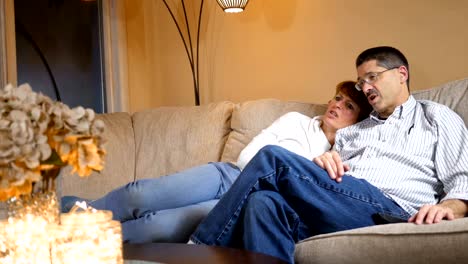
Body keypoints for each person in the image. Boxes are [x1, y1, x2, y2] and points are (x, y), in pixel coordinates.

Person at [189, 46, 468, 263]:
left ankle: (197, 251)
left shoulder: (434, 117)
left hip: (392, 209)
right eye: (361, 82)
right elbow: (328, 181)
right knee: (263, 203)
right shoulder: (353, 131)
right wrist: (322, 161)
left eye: (373, 77)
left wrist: (449, 208)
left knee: (272, 157)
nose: (366, 88)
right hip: (342, 205)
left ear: (401, 74)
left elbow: (462, 179)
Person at [61, 80, 372, 243]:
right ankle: (76, 209)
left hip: (242, 201)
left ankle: (82, 240)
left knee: (158, 224)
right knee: (141, 194)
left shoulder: (341, 158)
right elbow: (251, 155)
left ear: (357, 121)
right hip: (229, 176)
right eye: (336, 98)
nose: (336, 106)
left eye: (348, 107)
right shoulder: (294, 120)